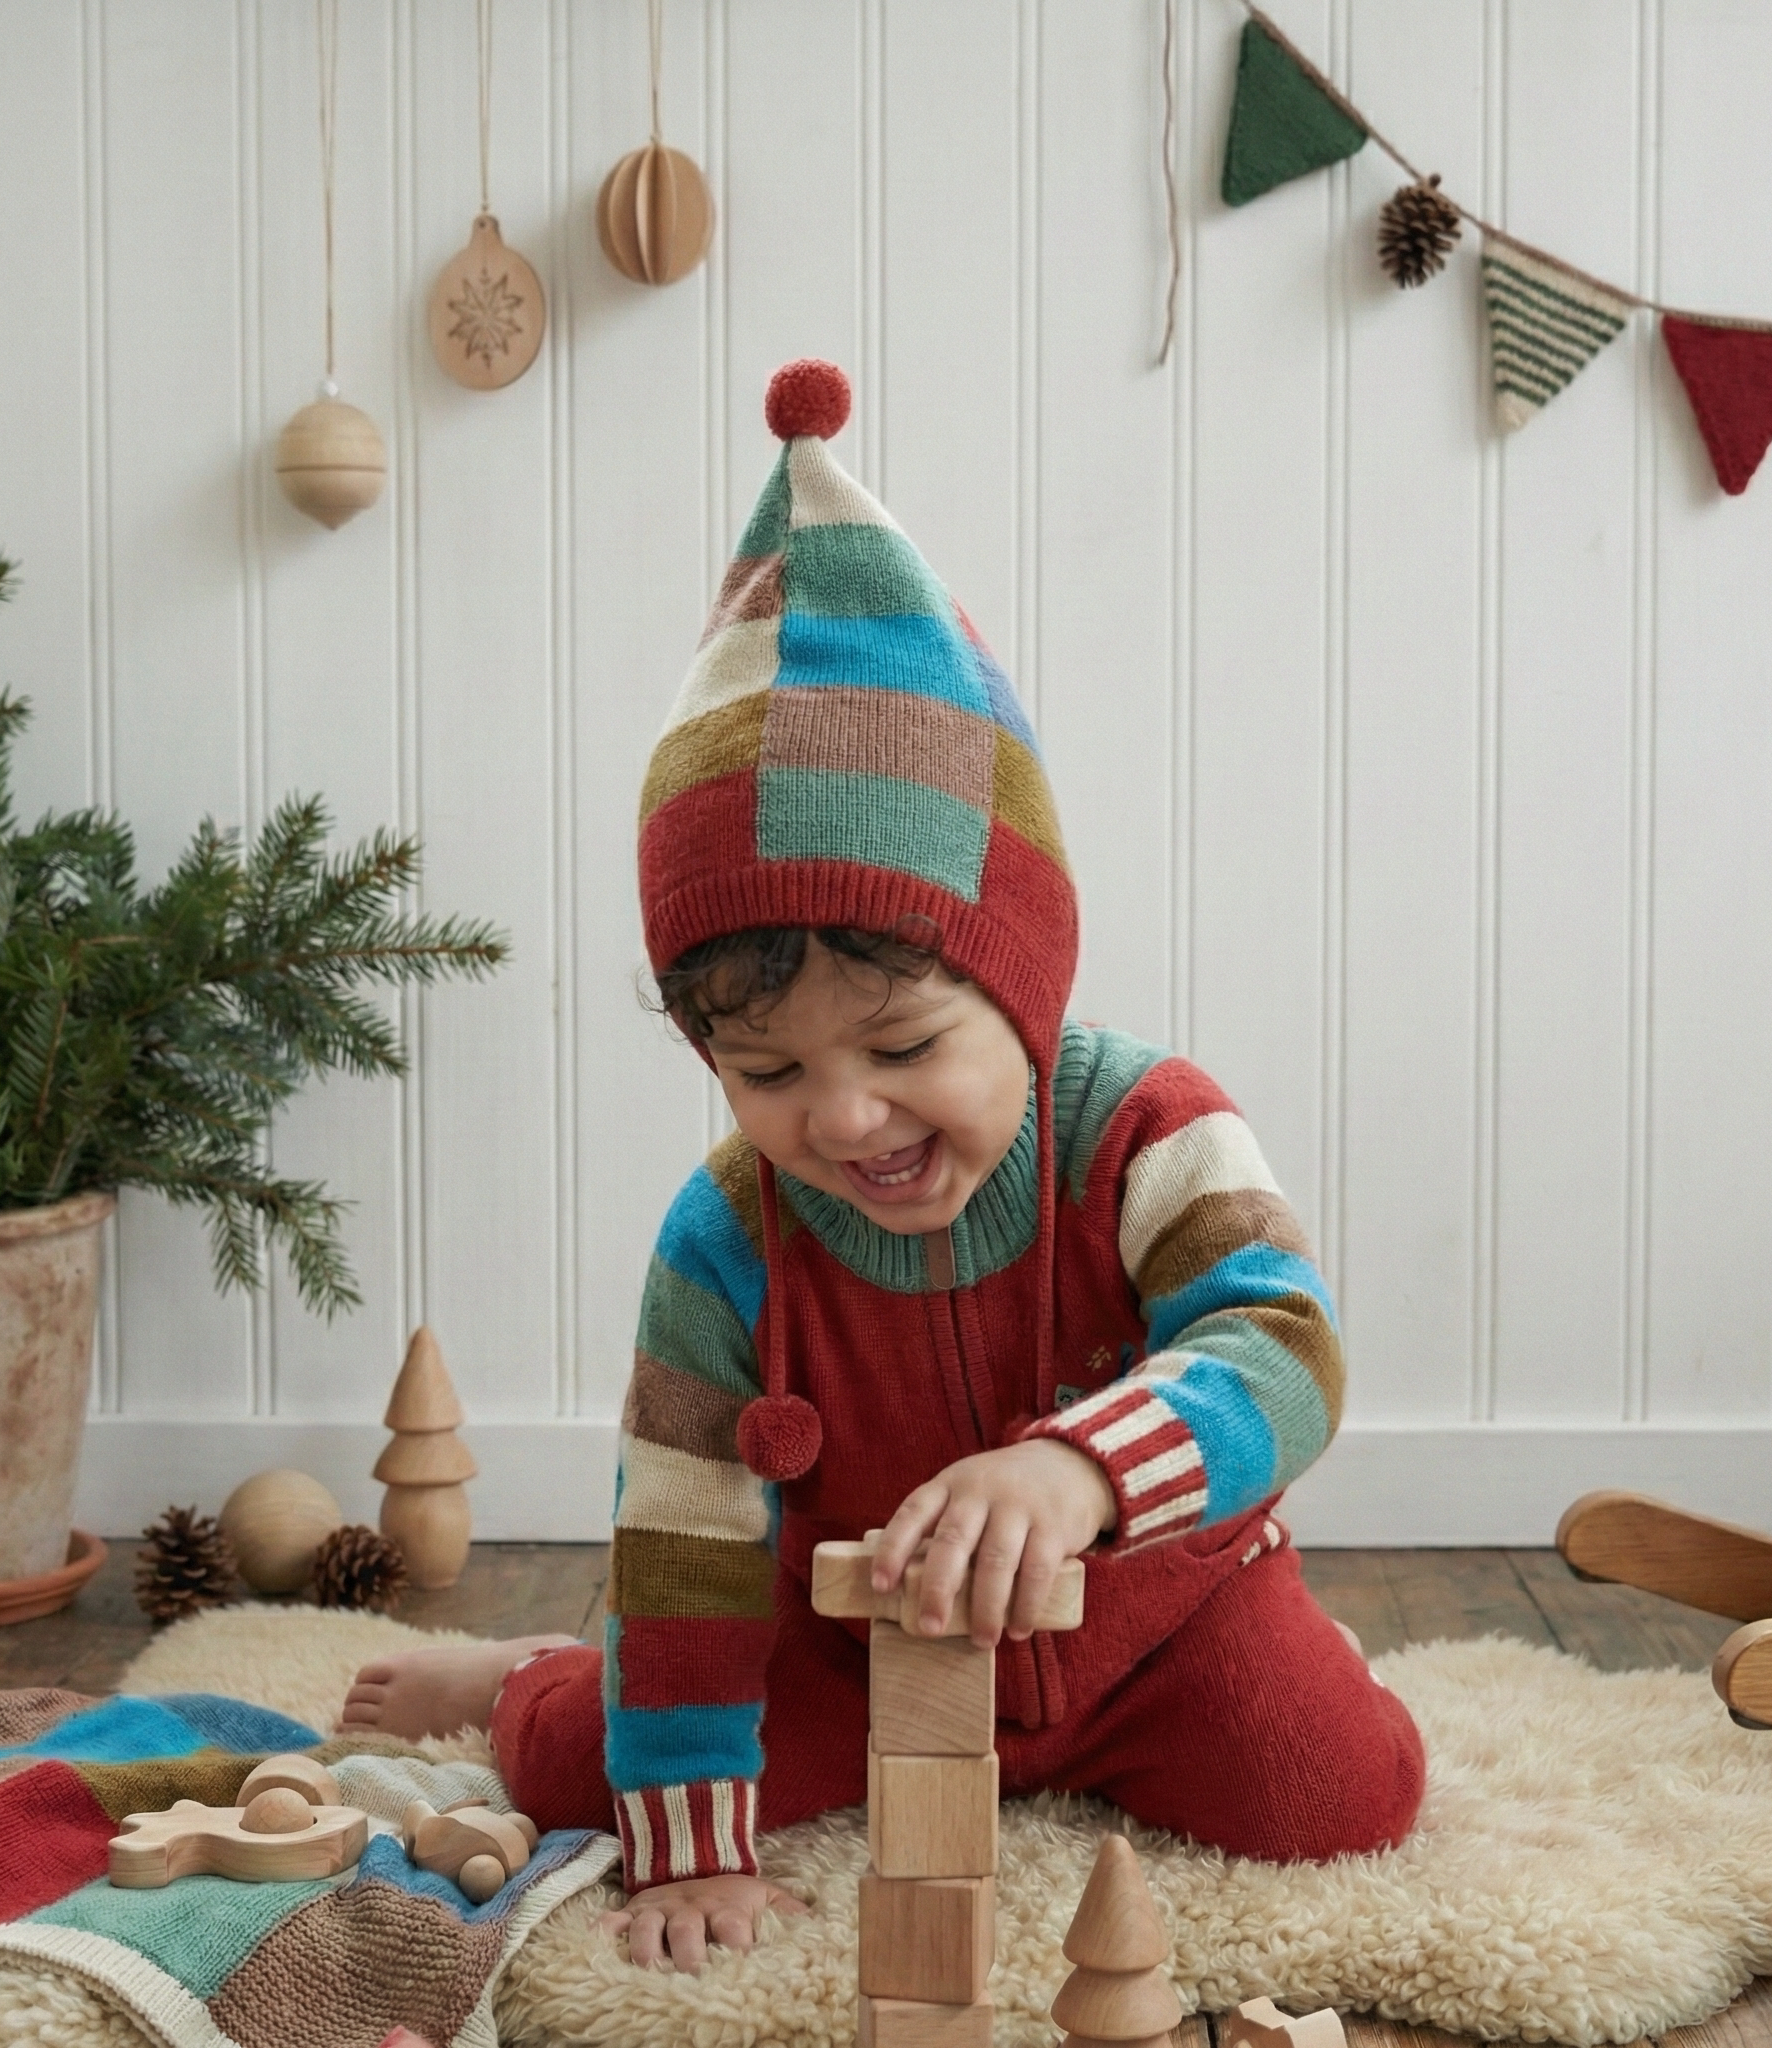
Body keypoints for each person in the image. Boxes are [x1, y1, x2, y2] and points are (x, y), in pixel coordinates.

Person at [342, 359, 1425, 1972]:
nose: (843, 1120)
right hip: (856, 1651)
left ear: (1023, 979)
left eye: (905, 1049)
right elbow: (692, 1539)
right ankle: (512, 1675)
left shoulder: (1145, 1127)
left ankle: (1256, 1659)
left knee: (1351, 1792)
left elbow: (1288, 1348)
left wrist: (1081, 1470)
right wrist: (694, 1833)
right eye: (767, 1072)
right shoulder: (727, 1239)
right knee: (597, 1767)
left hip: (1153, 1627)